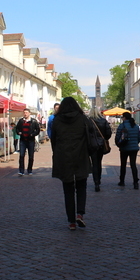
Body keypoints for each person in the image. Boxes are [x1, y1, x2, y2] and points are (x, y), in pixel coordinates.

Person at [51, 97, 91, 230]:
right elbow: (89, 135)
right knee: (81, 186)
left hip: (64, 157)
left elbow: (53, 140)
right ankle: (80, 213)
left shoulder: (57, 120)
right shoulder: (82, 118)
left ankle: (71, 222)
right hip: (81, 155)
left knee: (68, 190)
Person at [115, 111, 140, 189]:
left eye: (122, 117)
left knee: (123, 165)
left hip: (124, 148)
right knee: (133, 165)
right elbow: (139, 137)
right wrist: (135, 143)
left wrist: (119, 145)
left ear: (124, 118)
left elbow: (117, 137)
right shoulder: (135, 126)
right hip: (134, 148)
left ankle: (122, 181)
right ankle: (135, 182)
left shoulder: (121, 126)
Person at [88, 107, 112, 192]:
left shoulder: (88, 122)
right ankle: (99, 180)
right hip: (101, 144)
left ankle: (96, 182)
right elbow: (108, 133)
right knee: (99, 162)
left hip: (92, 145)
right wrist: (104, 139)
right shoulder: (103, 121)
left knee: (94, 163)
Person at [15, 108, 40, 176]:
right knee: (21, 155)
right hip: (23, 140)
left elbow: (38, 130)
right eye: (24, 112)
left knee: (31, 156)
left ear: (29, 113)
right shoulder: (21, 121)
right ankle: (21, 171)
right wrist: (18, 132)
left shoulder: (34, 121)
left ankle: (29, 170)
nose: (25, 114)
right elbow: (17, 128)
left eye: (26, 112)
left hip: (31, 141)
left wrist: (33, 134)